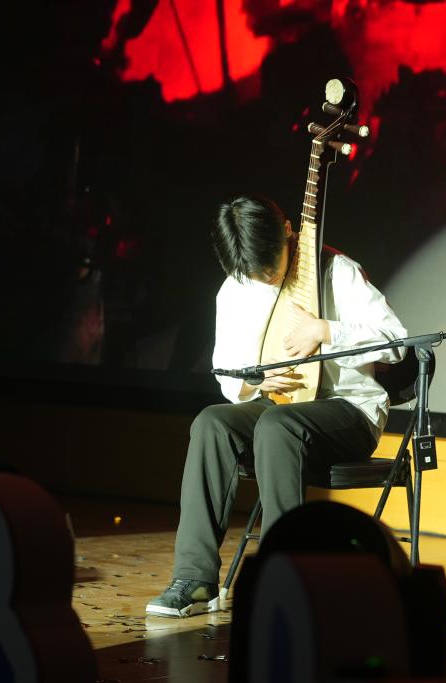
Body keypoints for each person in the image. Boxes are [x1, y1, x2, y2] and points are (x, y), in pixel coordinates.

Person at [146, 194, 408, 617]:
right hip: (280, 406)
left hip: (348, 411)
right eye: (255, 274)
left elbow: (396, 343)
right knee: (212, 423)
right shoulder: (237, 286)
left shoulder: (337, 271)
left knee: (277, 426)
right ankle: (194, 579)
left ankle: (283, 575)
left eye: (271, 269)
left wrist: (326, 331)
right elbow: (225, 371)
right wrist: (255, 379)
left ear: (289, 233)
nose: (266, 279)